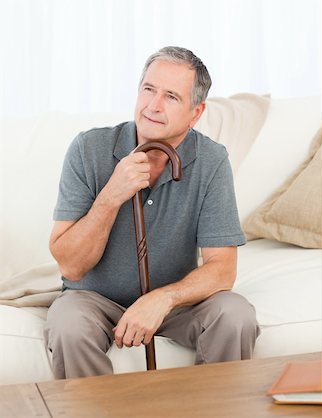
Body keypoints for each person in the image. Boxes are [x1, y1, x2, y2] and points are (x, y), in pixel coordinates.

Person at [44, 46, 260, 379]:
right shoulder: (88, 149)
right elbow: (70, 264)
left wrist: (163, 299)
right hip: (93, 300)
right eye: (149, 89)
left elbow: (222, 271)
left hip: (175, 305)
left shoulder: (211, 161)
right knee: (68, 324)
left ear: (196, 112)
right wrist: (111, 196)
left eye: (171, 97)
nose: (153, 106)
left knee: (235, 315)